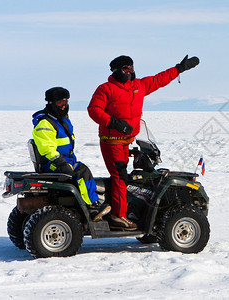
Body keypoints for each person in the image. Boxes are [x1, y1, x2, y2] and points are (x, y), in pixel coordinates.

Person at [88, 54, 199, 230]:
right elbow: (94, 110)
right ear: (117, 71)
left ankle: (128, 209)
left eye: (131, 68)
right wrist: (113, 123)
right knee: (120, 177)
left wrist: (179, 69)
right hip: (111, 142)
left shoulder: (138, 86)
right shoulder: (106, 89)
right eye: (125, 69)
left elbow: (159, 80)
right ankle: (118, 216)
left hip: (127, 142)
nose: (130, 71)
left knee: (132, 177)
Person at [32, 87, 110, 221]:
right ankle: (92, 206)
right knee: (82, 171)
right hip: (53, 164)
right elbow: (47, 149)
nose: (63, 106)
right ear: (51, 103)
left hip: (64, 160)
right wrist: (61, 163)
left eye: (66, 102)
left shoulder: (61, 120)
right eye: (59, 103)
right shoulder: (45, 123)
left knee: (80, 168)